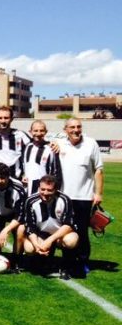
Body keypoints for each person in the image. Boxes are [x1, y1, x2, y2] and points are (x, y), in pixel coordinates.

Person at [54, 118, 104, 277]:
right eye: (72, 127)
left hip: (84, 197)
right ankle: (67, 263)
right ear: (65, 130)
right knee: (65, 232)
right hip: (64, 198)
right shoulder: (59, 143)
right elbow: (43, 137)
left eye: (78, 127)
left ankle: (82, 262)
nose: (76, 130)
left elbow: (98, 170)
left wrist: (98, 193)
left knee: (82, 232)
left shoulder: (91, 144)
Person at [21, 174, 78, 280]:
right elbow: (30, 227)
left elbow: (68, 225)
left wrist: (50, 240)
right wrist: (37, 245)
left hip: (61, 235)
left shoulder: (65, 200)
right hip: (42, 234)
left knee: (70, 241)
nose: (45, 193)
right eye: (42, 189)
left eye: (49, 190)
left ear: (56, 189)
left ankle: (66, 267)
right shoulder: (30, 201)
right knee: (29, 248)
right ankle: (41, 260)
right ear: (38, 188)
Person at [0, 106, 31, 179]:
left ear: (12, 119)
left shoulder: (21, 135)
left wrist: (50, 144)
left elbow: (37, 144)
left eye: (6, 118)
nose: (3, 121)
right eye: (0, 118)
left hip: (15, 179)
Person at [21, 120, 61, 196]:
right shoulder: (26, 146)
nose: (38, 133)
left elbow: (56, 171)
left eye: (41, 131)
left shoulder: (51, 149)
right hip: (27, 187)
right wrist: (23, 175)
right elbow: (23, 165)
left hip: (44, 190)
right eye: (35, 131)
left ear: (46, 132)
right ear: (30, 132)